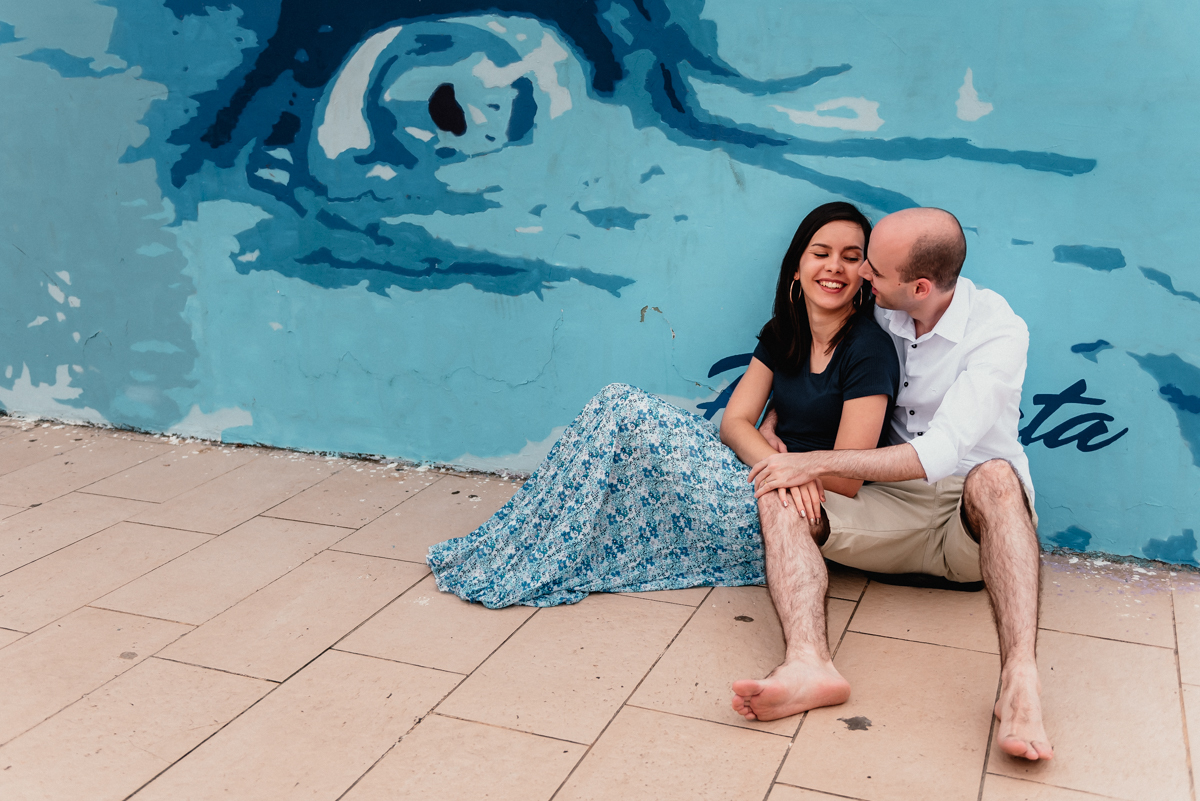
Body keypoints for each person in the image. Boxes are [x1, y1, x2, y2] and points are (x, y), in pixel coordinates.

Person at [427, 201, 898, 611]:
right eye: (821, 253)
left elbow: (847, 477)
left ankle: (539, 548)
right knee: (615, 405)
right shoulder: (784, 331)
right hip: (763, 476)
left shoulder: (868, 350)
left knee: (624, 412)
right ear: (797, 267)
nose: (835, 267)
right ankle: (527, 538)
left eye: (851, 257)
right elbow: (734, 423)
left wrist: (789, 472)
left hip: (791, 508)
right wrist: (777, 463)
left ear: (865, 274)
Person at [733, 207, 1054, 762]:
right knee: (780, 497)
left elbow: (941, 451)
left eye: (872, 269)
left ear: (920, 287)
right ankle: (808, 664)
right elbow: (819, 368)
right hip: (890, 506)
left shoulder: (998, 331)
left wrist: (810, 463)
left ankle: (1020, 682)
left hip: (972, 521)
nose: (860, 276)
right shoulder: (884, 310)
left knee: (997, 477)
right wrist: (775, 421)